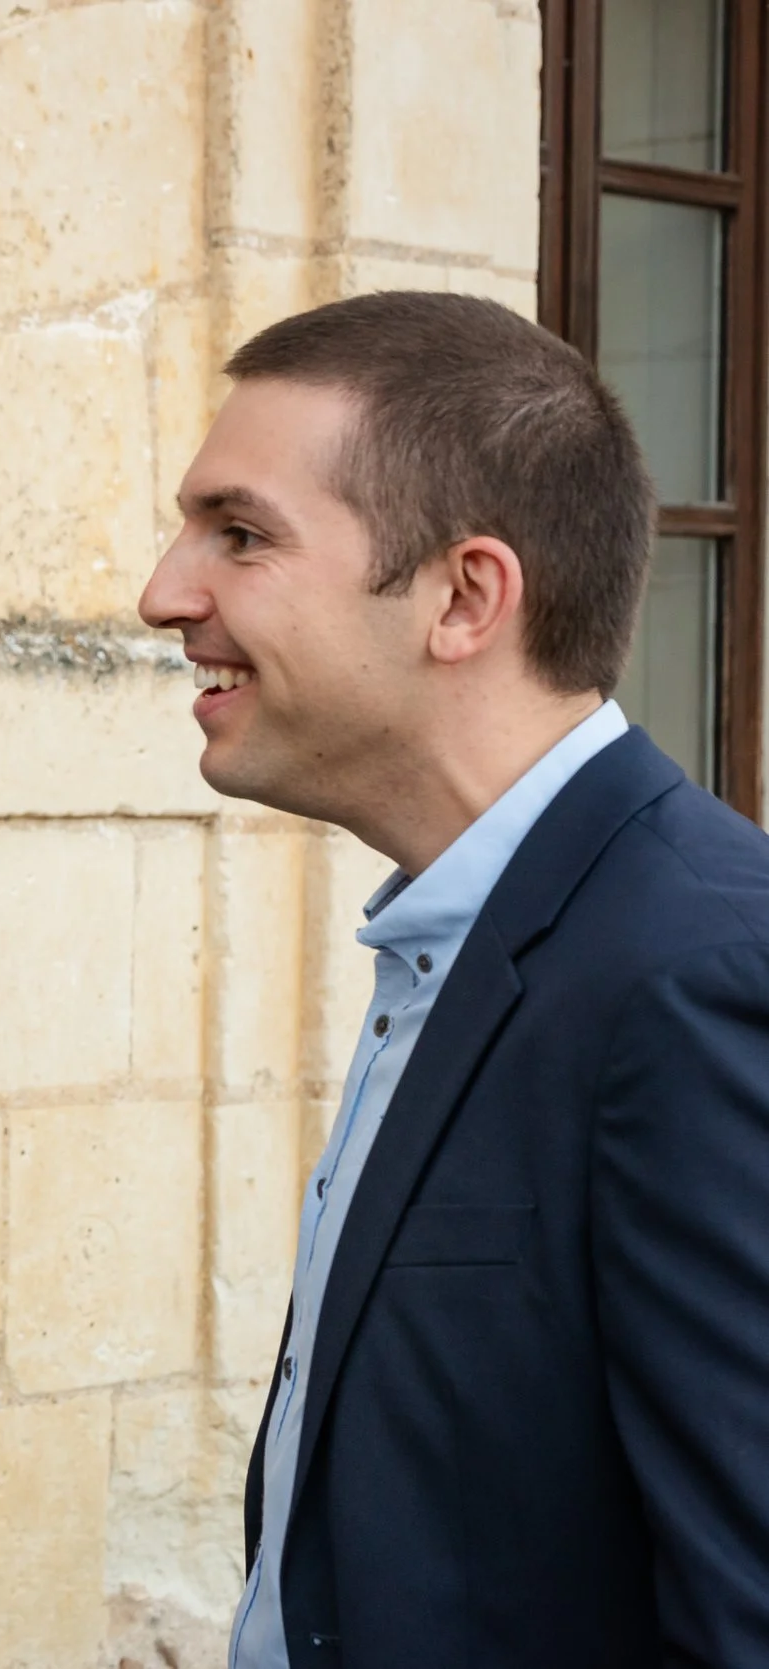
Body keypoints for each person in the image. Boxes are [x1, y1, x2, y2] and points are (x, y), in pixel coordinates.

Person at [142, 290, 769, 1667]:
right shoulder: (473, 933)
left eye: (240, 534)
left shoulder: (701, 978)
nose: (165, 594)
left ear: (465, 598)